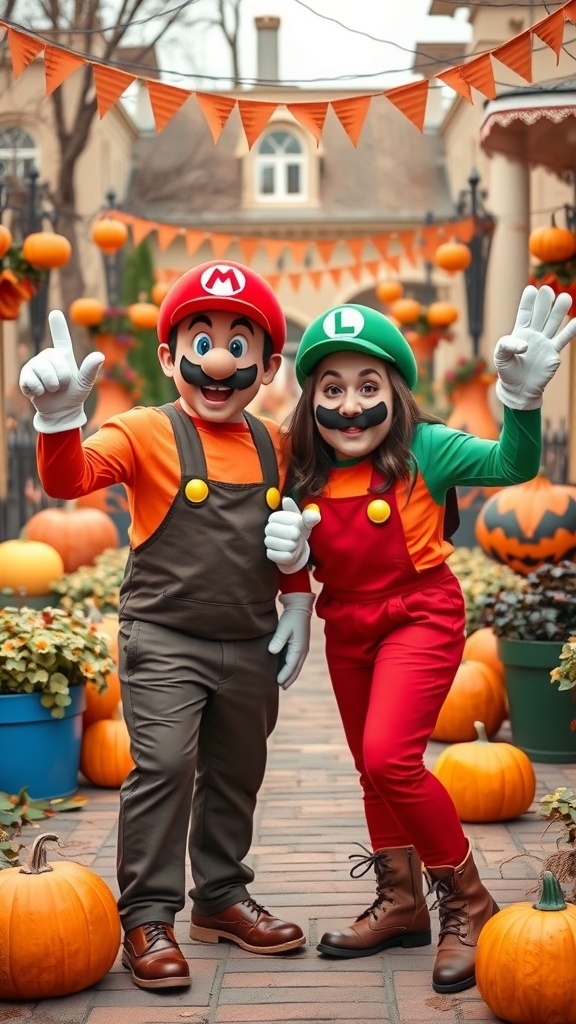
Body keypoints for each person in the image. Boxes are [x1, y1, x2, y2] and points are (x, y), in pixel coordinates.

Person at [263, 284, 576, 995]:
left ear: (396, 393)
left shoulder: (427, 449)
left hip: (419, 615)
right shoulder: (299, 465)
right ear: (310, 397)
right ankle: (401, 904)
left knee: (391, 756)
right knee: (371, 771)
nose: (349, 405)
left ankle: (470, 902)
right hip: (347, 622)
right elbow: (280, 545)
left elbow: (513, 467)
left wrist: (522, 405)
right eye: (332, 387)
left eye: (367, 385)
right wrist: (289, 581)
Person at [18, 259, 315, 991]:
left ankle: (220, 898)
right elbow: (69, 480)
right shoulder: (145, 432)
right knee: (166, 767)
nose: (220, 359)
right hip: (165, 639)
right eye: (202, 339)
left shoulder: (276, 443)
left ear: (269, 364)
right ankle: (147, 915)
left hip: (249, 642)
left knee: (238, 771)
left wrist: (300, 595)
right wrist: (59, 421)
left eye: (240, 344)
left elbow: (293, 532)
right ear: (167, 356)